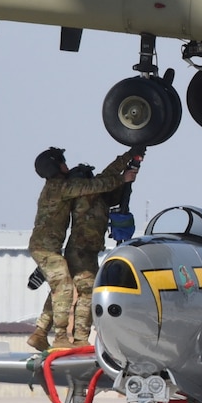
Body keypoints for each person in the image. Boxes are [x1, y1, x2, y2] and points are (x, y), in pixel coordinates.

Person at [26, 147, 140, 352]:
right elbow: (98, 183)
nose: (66, 165)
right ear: (55, 166)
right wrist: (122, 179)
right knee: (67, 288)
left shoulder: (61, 187)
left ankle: (41, 333)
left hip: (53, 249)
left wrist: (129, 156)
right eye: (62, 162)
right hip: (54, 249)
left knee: (63, 287)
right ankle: (64, 337)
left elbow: (104, 177)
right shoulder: (62, 187)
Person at [60, 148, 144, 341]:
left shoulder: (97, 195)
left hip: (88, 251)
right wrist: (123, 178)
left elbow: (109, 176)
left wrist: (130, 157)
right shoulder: (84, 192)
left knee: (84, 292)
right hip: (80, 250)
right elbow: (106, 179)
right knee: (88, 293)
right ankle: (80, 338)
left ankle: (74, 335)